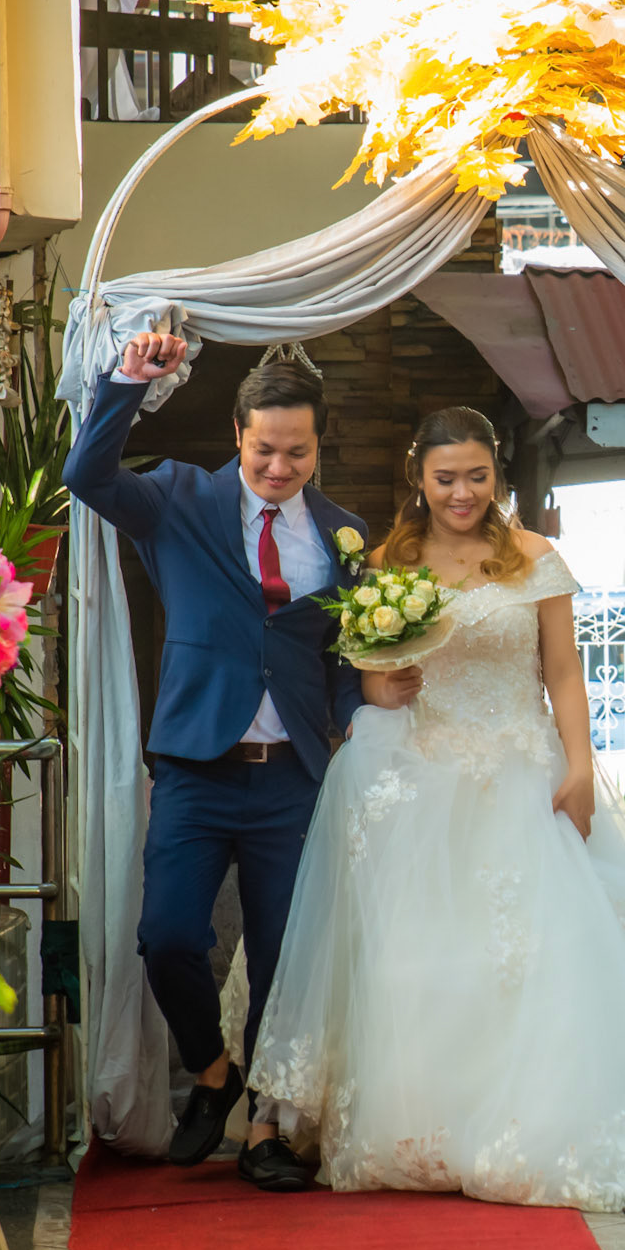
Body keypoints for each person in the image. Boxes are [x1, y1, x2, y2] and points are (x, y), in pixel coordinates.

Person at [246, 406, 625, 1210]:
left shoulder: (537, 558)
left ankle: (524, 1120)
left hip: (522, 771)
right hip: (422, 774)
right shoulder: (387, 563)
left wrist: (579, 767)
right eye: (446, 478)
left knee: (539, 953)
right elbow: (367, 670)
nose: (462, 492)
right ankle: (426, 1125)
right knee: (421, 960)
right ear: (419, 478)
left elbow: (564, 672)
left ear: (496, 476)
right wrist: (383, 687)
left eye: (477, 476)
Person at [63, 334, 367, 1191]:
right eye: (265, 448)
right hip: (196, 765)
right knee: (166, 936)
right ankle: (211, 1071)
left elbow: (344, 655)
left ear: (319, 445)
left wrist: (356, 719)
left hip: (293, 777)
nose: (279, 467)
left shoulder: (344, 533)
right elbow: (87, 476)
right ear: (238, 434)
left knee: (280, 956)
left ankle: (266, 1124)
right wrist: (127, 382)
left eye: (297, 452)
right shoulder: (178, 499)